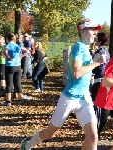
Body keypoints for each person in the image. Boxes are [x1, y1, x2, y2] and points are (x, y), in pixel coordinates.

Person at [20, 19, 106, 150]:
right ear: (82, 31)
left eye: (95, 29)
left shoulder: (86, 49)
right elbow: (76, 73)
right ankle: (27, 145)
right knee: (50, 133)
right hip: (70, 97)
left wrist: (90, 75)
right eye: (92, 29)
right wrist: (96, 63)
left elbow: (79, 72)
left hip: (84, 98)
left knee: (93, 138)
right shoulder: (78, 47)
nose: (95, 32)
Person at [3, 32, 28, 106]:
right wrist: (21, 57)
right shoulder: (17, 46)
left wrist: (8, 57)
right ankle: (19, 100)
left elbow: (5, 53)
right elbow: (27, 51)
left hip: (10, 66)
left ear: (7, 38)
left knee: (9, 84)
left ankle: (8, 101)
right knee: (18, 83)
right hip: (18, 66)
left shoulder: (7, 46)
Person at [90, 32, 110, 101]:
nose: (95, 41)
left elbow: (91, 64)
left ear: (100, 41)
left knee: (95, 100)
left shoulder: (99, 52)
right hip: (103, 78)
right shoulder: (106, 51)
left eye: (97, 39)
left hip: (97, 79)